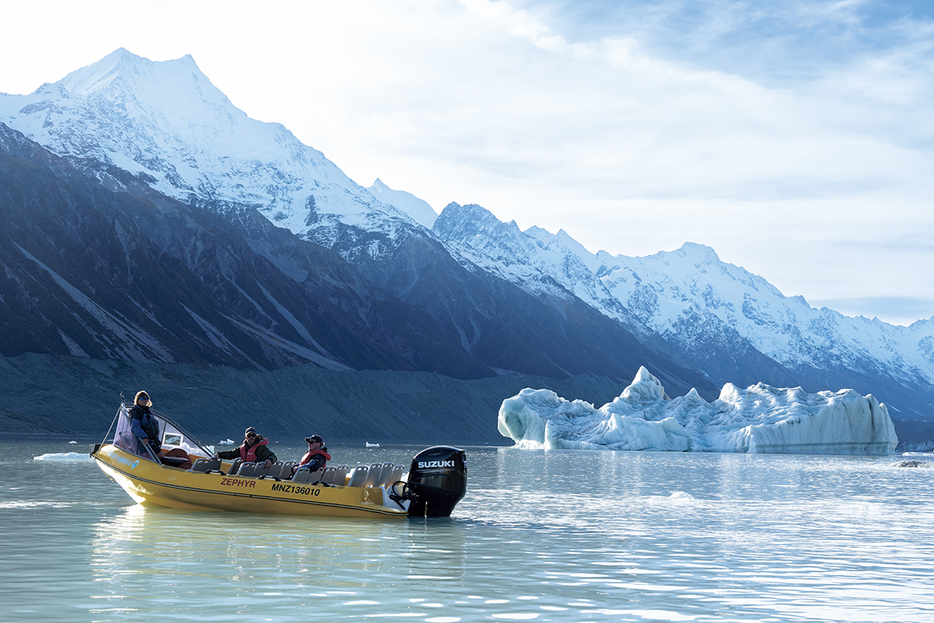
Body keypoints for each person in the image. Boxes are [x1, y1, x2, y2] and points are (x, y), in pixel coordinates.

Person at [128, 390, 162, 458]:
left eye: (146, 399)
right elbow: (135, 427)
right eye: (141, 398)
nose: (144, 400)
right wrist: (143, 437)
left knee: (161, 457)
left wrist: (156, 440)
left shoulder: (147, 412)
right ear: (137, 400)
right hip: (142, 442)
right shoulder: (136, 412)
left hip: (151, 442)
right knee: (151, 458)